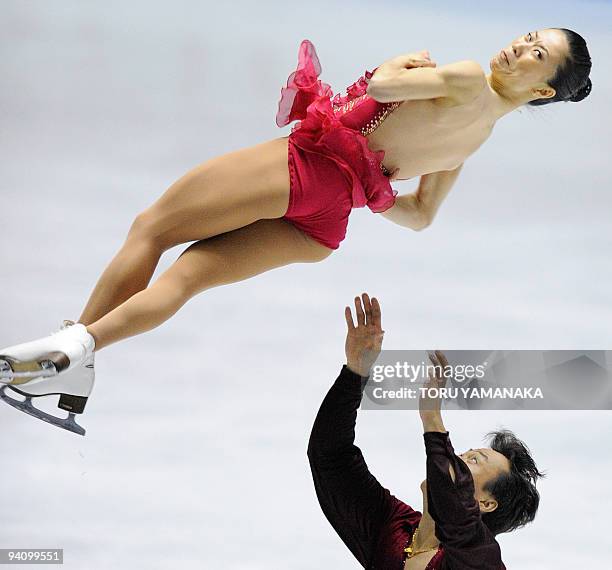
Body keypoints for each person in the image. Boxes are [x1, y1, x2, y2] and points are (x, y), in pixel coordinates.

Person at [0, 29, 592, 434]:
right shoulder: (474, 142)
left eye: (537, 54)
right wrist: (370, 184)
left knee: (152, 228)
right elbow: (418, 216)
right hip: (323, 227)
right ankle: (78, 364)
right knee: (187, 277)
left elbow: (385, 89)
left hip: (304, 169)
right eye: (528, 35)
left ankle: (68, 357)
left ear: (542, 90)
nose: (520, 45)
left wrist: (398, 67)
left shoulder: (465, 77)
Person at [308, 293, 543, 569]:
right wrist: (355, 372)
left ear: (485, 503)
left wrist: (432, 418)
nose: (455, 458)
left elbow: (460, 522)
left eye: (474, 461)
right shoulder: (392, 528)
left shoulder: (480, 558)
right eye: (465, 454)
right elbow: (330, 456)